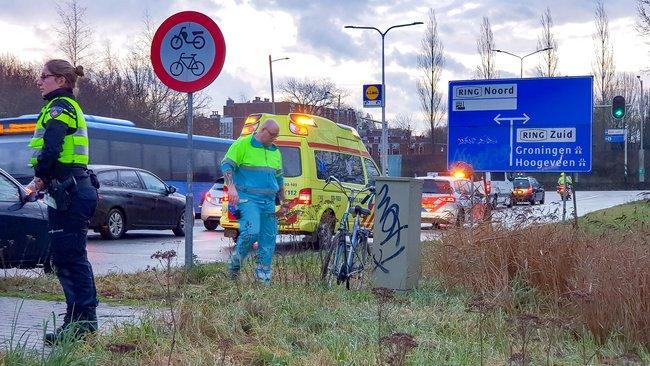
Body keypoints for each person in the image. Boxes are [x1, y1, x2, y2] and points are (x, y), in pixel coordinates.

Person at [26, 59, 99, 344]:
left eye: (43, 76)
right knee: (69, 259)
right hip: (71, 188)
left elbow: (52, 145)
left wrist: (41, 174)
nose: (38, 81)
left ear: (60, 80)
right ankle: (79, 321)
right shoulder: (65, 107)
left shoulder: (60, 108)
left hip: (69, 189)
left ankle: (82, 324)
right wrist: (44, 180)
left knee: (70, 259)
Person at [222, 118, 286, 284]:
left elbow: (279, 178)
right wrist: (231, 188)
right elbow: (227, 166)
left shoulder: (275, 151)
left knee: (268, 239)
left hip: (269, 201)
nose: (274, 139)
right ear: (263, 130)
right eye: (273, 135)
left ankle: (263, 279)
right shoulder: (242, 144)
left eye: (276, 136)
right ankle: (235, 264)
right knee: (251, 232)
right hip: (248, 199)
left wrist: (284, 202)